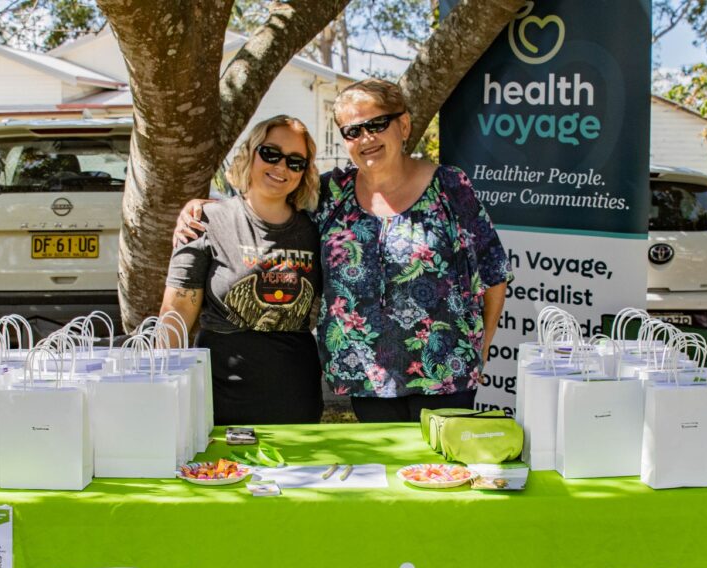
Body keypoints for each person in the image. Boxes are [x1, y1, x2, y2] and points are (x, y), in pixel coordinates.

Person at [177, 79, 510, 423]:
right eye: (353, 131)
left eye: (377, 124)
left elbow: (493, 272)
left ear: (404, 125)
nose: (366, 138)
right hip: (368, 378)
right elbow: (268, 204)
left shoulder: (450, 186)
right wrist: (205, 208)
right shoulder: (331, 192)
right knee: (383, 459)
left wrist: (482, 345)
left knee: (443, 459)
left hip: (447, 371)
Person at [161, 115, 323, 424]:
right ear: (251, 152)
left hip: (295, 389)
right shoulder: (205, 221)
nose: (281, 167)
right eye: (271, 153)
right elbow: (176, 313)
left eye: (295, 162)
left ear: (305, 171)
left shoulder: (317, 228)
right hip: (219, 388)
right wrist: (163, 385)